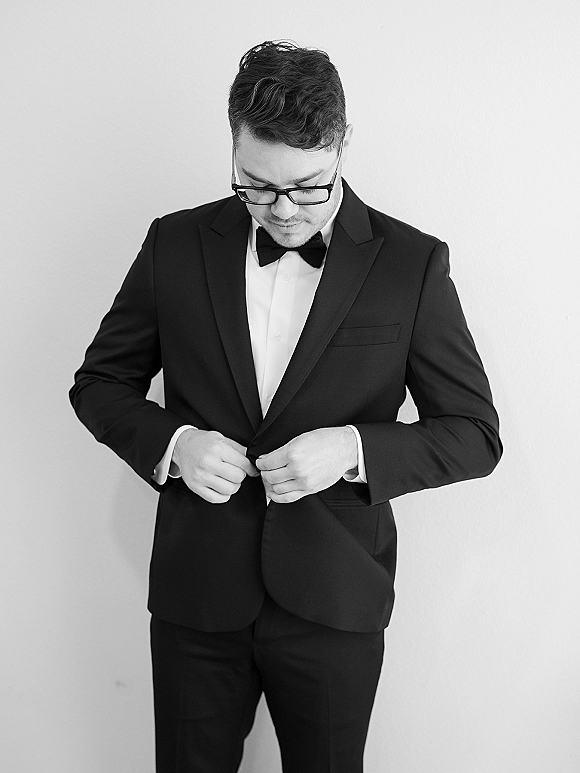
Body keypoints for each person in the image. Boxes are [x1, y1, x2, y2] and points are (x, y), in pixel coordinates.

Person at [70, 40, 502, 773]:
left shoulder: (412, 264)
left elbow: (474, 434)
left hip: (335, 603)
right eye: (256, 186)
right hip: (195, 601)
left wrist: (354, 449)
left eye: (308, 187)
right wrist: (173, 443)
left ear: (341, 145)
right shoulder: (174, 244)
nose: (281, 210)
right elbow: (99, 383)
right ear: (233, 146)